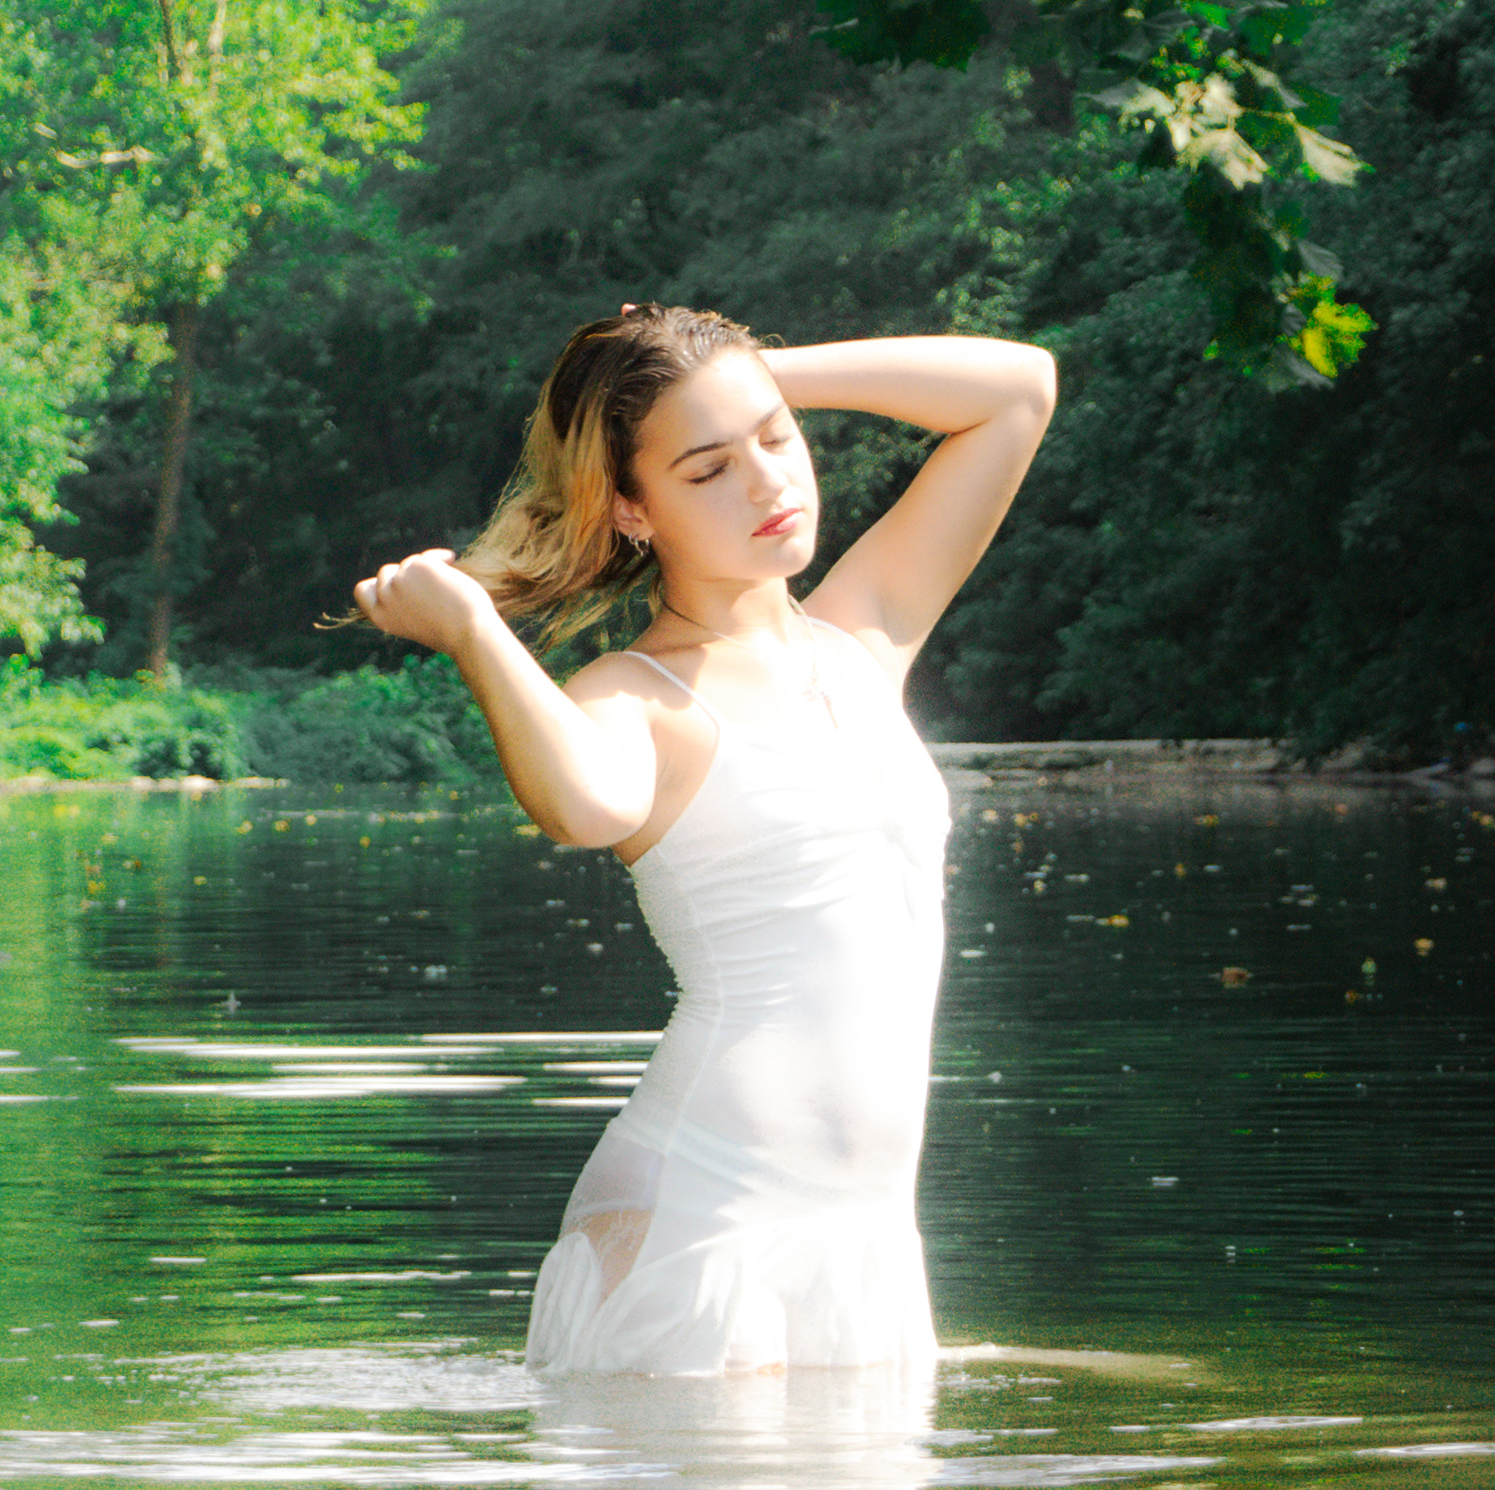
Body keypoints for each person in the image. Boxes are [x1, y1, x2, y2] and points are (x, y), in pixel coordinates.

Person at [353, 305, 1054, 1375]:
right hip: (703, 1214)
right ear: (631, 507)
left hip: (861, 1233)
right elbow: (586, 809)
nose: (769, 483)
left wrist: (743, 372)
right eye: (709, 468)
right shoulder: (638, 695)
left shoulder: (863, 634)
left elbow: (1016, 390)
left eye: (776, 437)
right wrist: (474, 633)